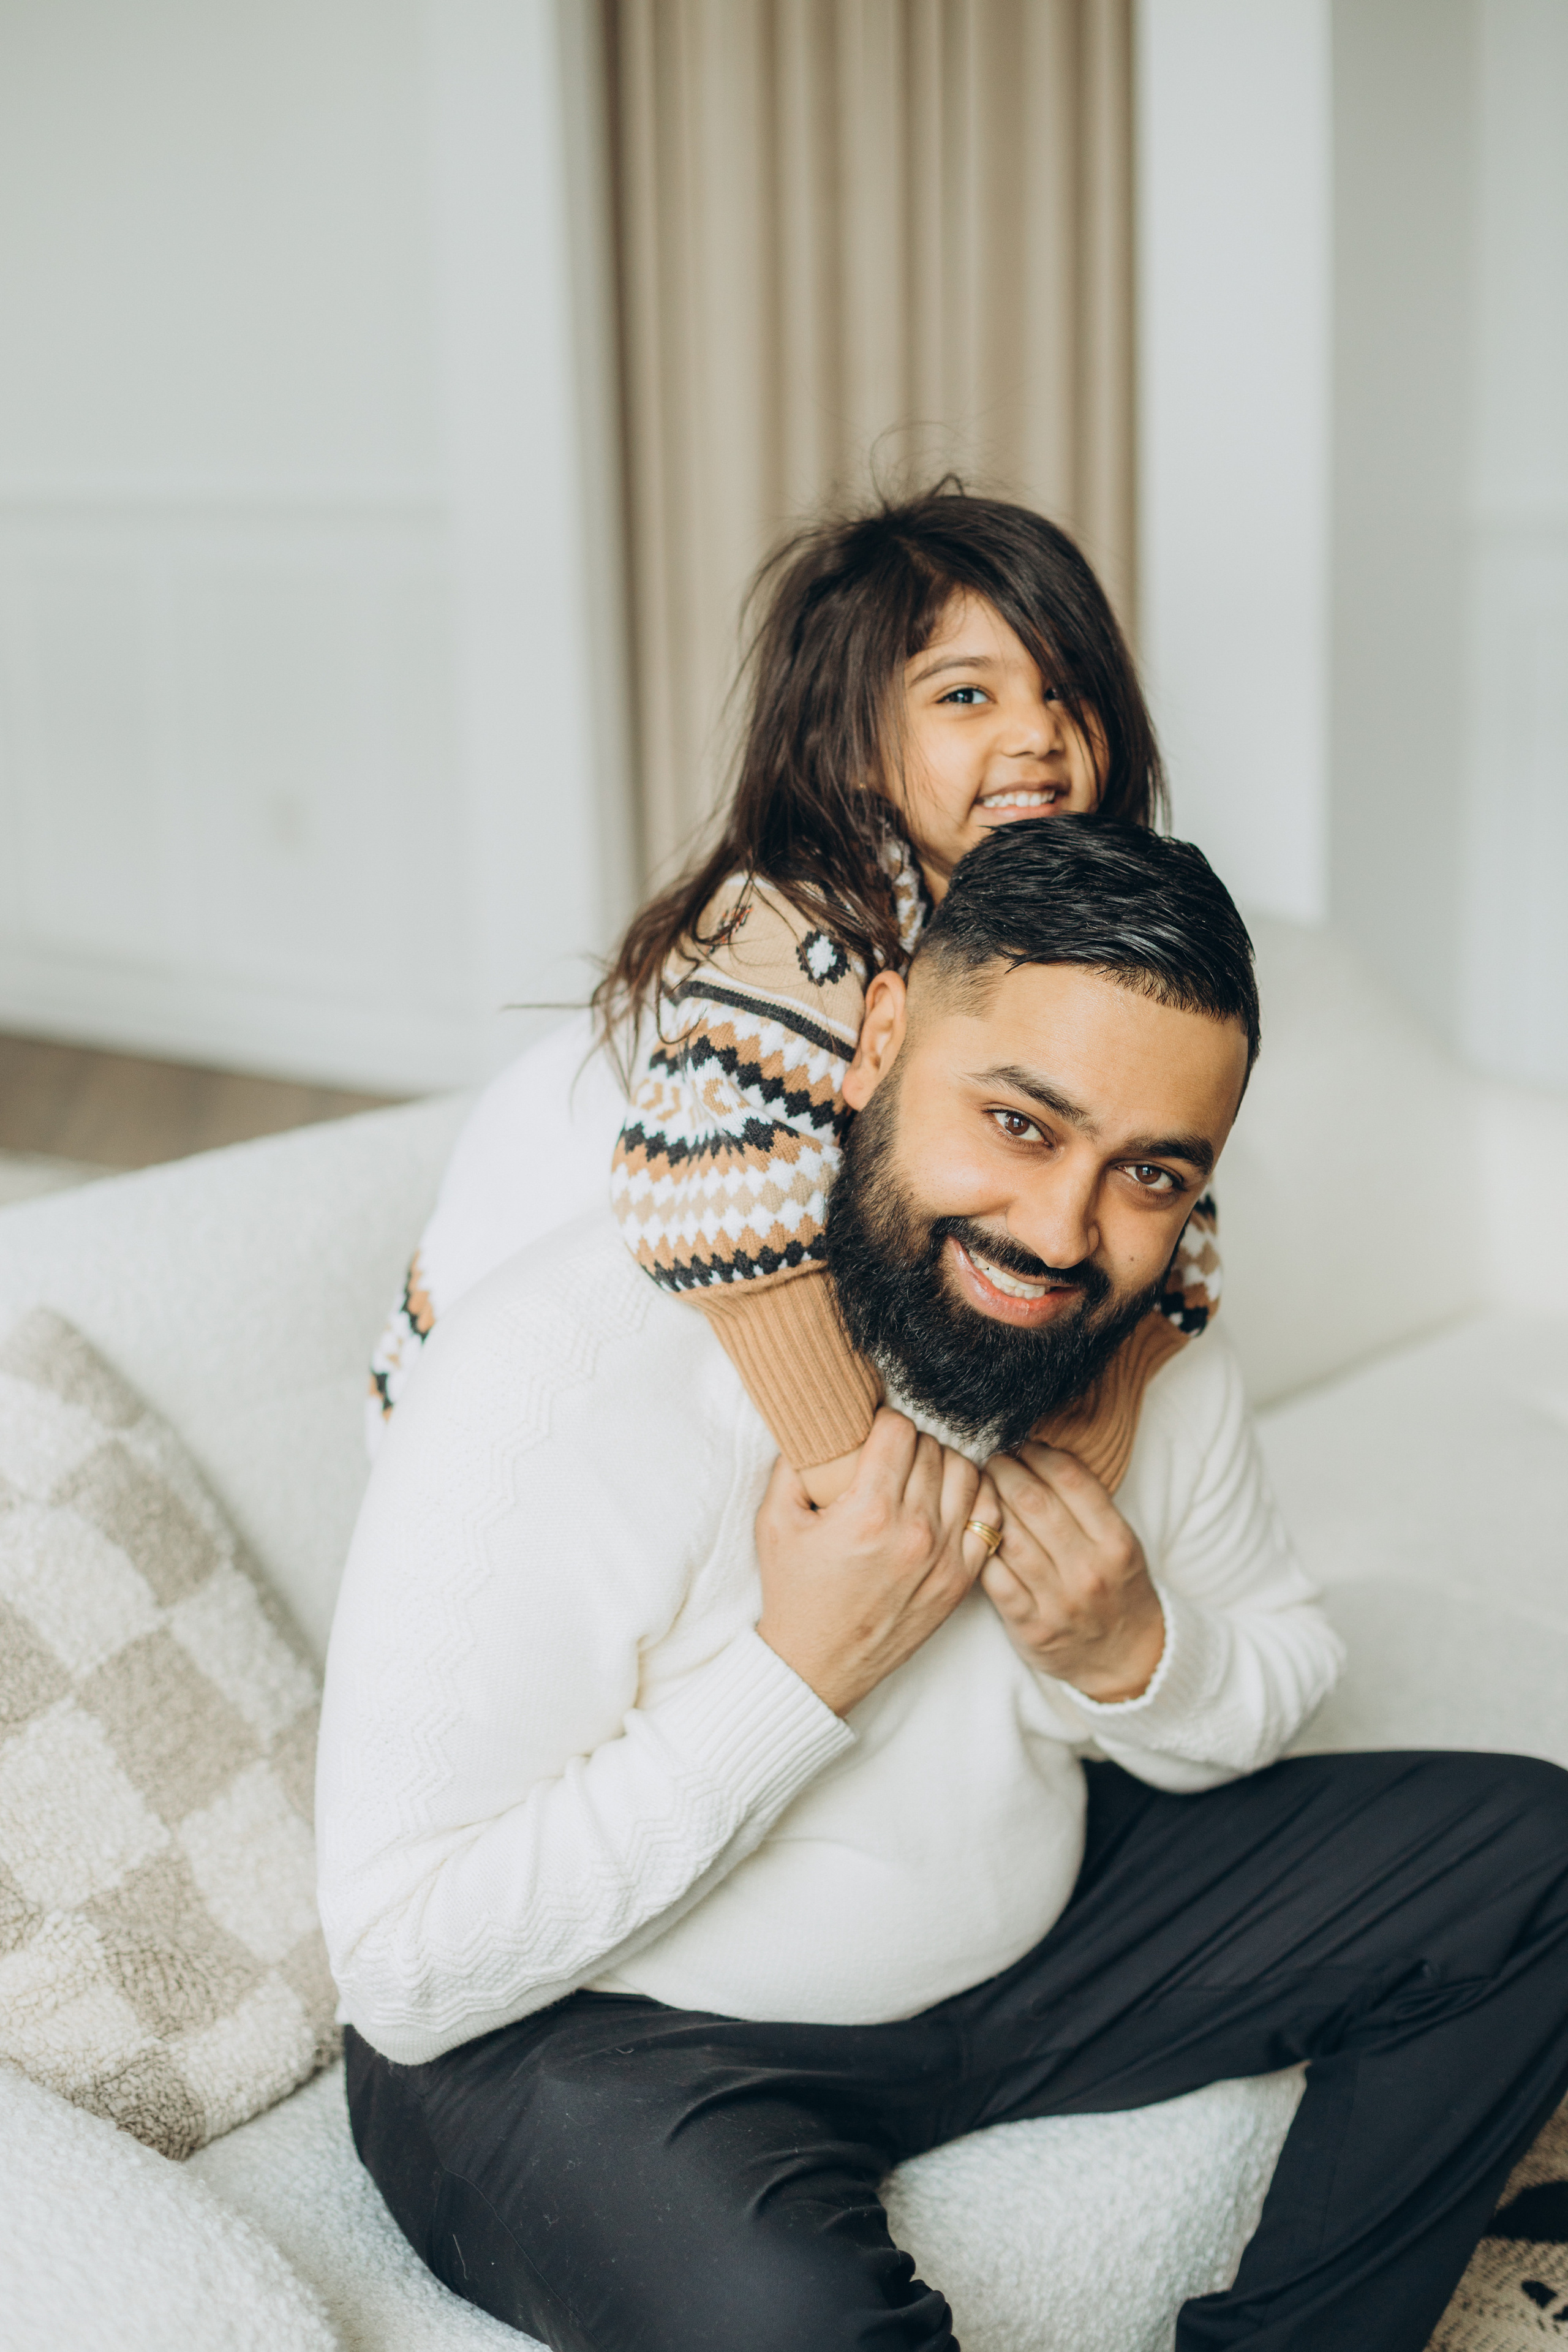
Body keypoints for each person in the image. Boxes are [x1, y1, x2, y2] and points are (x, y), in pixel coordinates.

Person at [318, 820, 1568, 2352]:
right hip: (609, 2033)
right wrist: (800, 1674)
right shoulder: (563, 1372)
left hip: (1029, 1952)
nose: (1062, 1235)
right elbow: (405, 1965)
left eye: (1149, 1174)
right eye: (1021, 1125)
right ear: (885, 1039)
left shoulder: (1145, 1353)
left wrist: (1130, 1654)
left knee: (1532, 1865)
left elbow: (1276, 1669)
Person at [366, 486, 1221, 1502]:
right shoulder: (797, 924)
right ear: (857, 749)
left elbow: (1168, 1185)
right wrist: (854, 1469)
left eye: (1069, 692)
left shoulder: (1068, 940)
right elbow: (713, 1196)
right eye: (965, 696)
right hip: (486, 1352)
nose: (1039, 732)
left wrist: (1099, 1416)